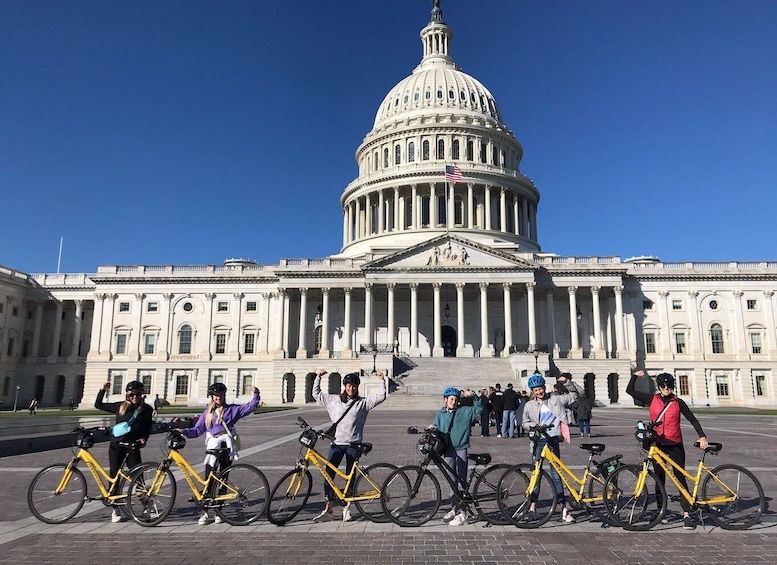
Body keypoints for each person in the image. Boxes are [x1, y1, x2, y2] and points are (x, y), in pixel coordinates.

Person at [627, 370, 708, 530]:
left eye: (669, 386)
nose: (666, 388)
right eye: (663, 386)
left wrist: (702, 436)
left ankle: (687, 513)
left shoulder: (678, 402)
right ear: (659, 387)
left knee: (680, 477)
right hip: (658, 444)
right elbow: (630, 391)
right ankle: (660, 511)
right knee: (659, 478)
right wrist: (635, 376)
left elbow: (692, 419)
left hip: (675, 443)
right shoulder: (652, 399)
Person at [177, 382, 260, 525]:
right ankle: (204, 512)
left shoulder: (232, 410)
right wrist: (184, 432)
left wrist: (256, 394)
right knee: (209, 481)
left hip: (225, 448)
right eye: (216, 395)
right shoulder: (207, 413)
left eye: (220, 395)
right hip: (212, 448)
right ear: (212, 397)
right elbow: (197, 430)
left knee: (222, 481)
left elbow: (250, 407)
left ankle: (219, 512)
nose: (218, 398)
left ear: (224, 395)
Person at [313, 369, 386, 522]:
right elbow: (317, 394)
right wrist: (318, 377)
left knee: (350, 476)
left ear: (357, 387)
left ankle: (347, 508)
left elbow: (381, 397)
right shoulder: (333, 400)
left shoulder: (362, 403)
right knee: (329, 476)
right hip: (337, 443)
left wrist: (382, 381)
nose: (350, 388)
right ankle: (329, 507)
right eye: (348, 385)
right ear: (344, 386)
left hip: (353, 445)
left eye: (353, 386)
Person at [522, 374, 579, 523]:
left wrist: (567, 383)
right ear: (532, 392)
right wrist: (533, 426)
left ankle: (564, 509)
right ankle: (532, 508)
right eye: (535, 390)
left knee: (556, 475)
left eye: (540, 389)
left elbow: (574, 396)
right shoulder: (529, 405)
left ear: (544, 388)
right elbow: (524, 422)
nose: (539, 392)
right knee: (537, 475)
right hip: (538, 442)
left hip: (553, 440)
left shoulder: (556, 399)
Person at [95, 380, 153, 522]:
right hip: (116, 445)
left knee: (137, 477)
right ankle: (115, 508)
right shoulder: (120, 406)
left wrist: (144, 438)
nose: (135, 397)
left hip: (132, 446)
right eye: (132, 394)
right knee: (114, 476)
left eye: (138, 394)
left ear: (141, 394)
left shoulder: (146, 409)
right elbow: (98, 405)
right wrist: (103, 390)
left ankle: (146, 506)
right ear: (127, 394)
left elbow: (148, 427)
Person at [432, 386, 483, 526]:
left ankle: (463, 511)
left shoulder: (465, 411)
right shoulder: (441, 413)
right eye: (451, 399)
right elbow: (436, 426)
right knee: (451, 480)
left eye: (455, 399)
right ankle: (454, 508)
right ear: (445, 400)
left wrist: (473, 396)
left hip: (461, 449)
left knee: (461, 480)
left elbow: (479, 409)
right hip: (447, 450)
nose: (453, 402)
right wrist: (431, 428)